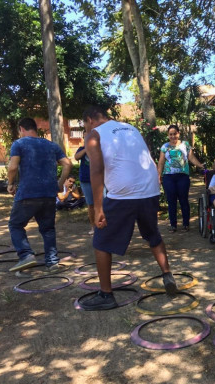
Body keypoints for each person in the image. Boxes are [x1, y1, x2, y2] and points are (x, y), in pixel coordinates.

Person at [82, 106, 178, 311]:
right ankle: (167, 275)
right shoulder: (130, 128)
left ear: (89, 120)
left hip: (123, 193)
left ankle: (106, 295)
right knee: (152, 233)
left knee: (101, 241)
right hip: (150, 188)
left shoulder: (93, 135)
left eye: (85, 125)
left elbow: (96, 169)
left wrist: (98, 208)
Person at [7, 118, 72, 272]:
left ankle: (26, 255)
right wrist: (60, 183)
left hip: (28, 193)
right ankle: (52, 262)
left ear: (21, 129)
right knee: (48, 228)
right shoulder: (51, 145)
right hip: (49, 194)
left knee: (15, 225)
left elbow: (12, 167)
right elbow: (68, 164)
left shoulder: (19, 144)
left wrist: (10, 183)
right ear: (35, 128)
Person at [157, 124, 204, 233]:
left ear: (178, 133)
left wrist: (200, 165)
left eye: (175, 134)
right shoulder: (165, 147)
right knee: (171, 201)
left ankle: (186, 224)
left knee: (183, 200)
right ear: (168, 135)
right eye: (170, 134)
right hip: (168, 177)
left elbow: (191, 157)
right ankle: (173, 225)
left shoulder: (185, 145)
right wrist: (158, 176)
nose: (173, 136)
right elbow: (161, 163)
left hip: (183, 176)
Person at [74, 137, 94, 235]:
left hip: (99, 180)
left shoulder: (99, 147)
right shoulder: (81, 149)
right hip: (86, 180)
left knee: (103, 203)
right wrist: (86, 149)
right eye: (85, 137)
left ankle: (104, 226)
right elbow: (76, 157)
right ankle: (93, 227)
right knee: (90, 204)